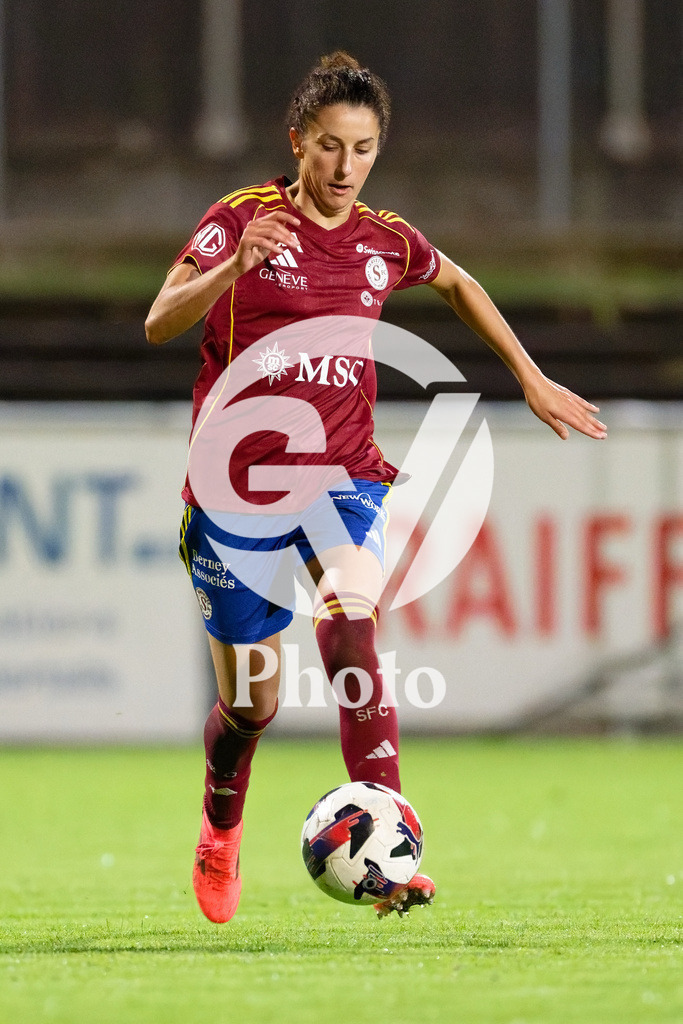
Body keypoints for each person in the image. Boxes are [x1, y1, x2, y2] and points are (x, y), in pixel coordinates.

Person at [145, 52, 607, 924]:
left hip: (342, 476)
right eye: (327, 147)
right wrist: (233, 267)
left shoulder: (384, 240)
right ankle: (220, 821)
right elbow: (159, 319)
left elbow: (459, 283)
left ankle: (389, 847)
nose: (344, 167)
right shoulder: (241, 221)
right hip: (233, 490)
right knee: (253, 707)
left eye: (361, 149)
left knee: (351, 624)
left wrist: (531, 378)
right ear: (297, 143)